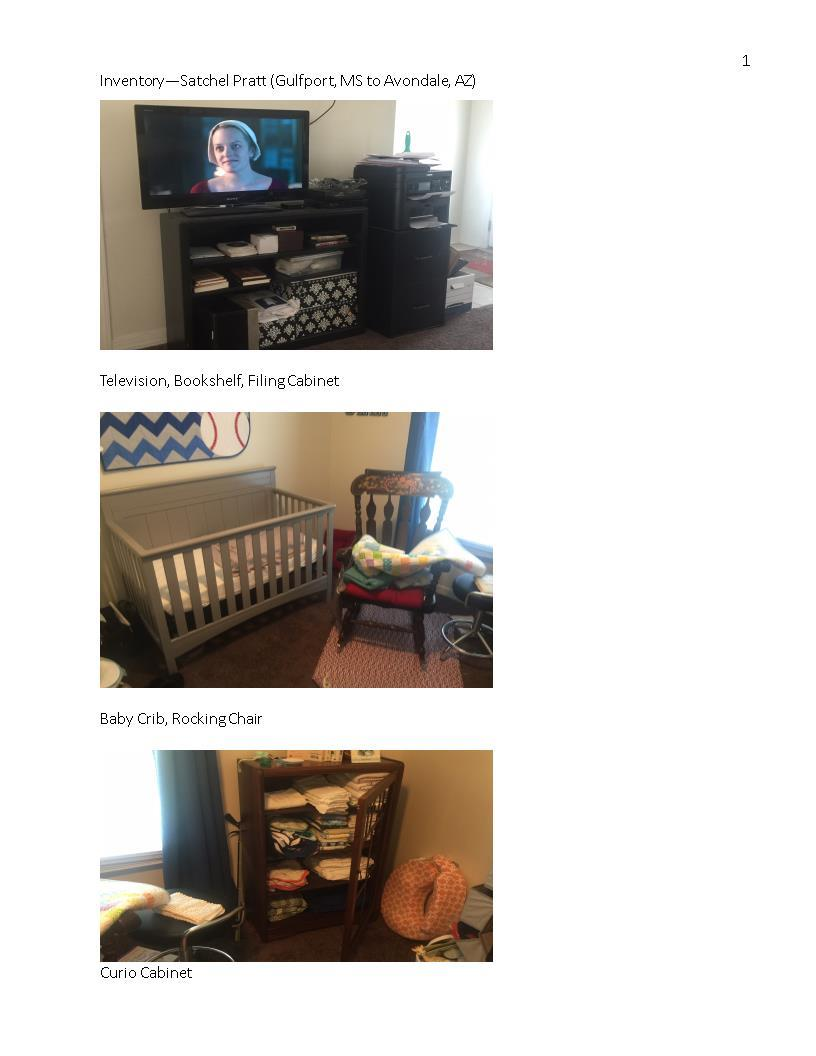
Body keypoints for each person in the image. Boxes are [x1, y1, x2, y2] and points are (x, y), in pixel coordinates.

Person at [189, 120, 287, 194]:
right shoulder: (199, 190)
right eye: (219, 148)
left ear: (251, 151)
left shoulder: (278, 188)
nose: (226, 153)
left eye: (236, 146)